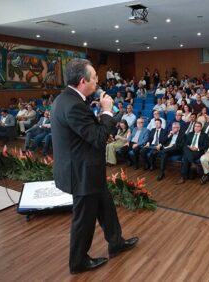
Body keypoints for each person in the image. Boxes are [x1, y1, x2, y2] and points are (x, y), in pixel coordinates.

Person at [50, 59, 138, 274]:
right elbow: (98, 139)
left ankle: (115, 242)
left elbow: (84, 133)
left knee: (106, 206)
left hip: (87, 169)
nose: (98, 83)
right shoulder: (73, 106)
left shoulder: (66, 99)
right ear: (82, 81)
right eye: (95, 79)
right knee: (84, 220)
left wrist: (98, 117)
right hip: (82, 174)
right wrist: (107, 112)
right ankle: (78, 262)